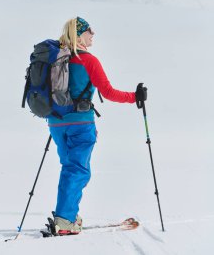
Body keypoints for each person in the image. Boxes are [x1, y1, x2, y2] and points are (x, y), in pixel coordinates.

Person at [48, 17, 147, 235]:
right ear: (80, 34)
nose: (93, 34)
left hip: (55, 122)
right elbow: (109, 92)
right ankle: (65, 220)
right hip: (81, 123)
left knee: (70, 168)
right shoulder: (88, 60)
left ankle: (67, 215)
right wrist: (135, 97)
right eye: (89, 30)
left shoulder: (57, 58)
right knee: (78, 170)